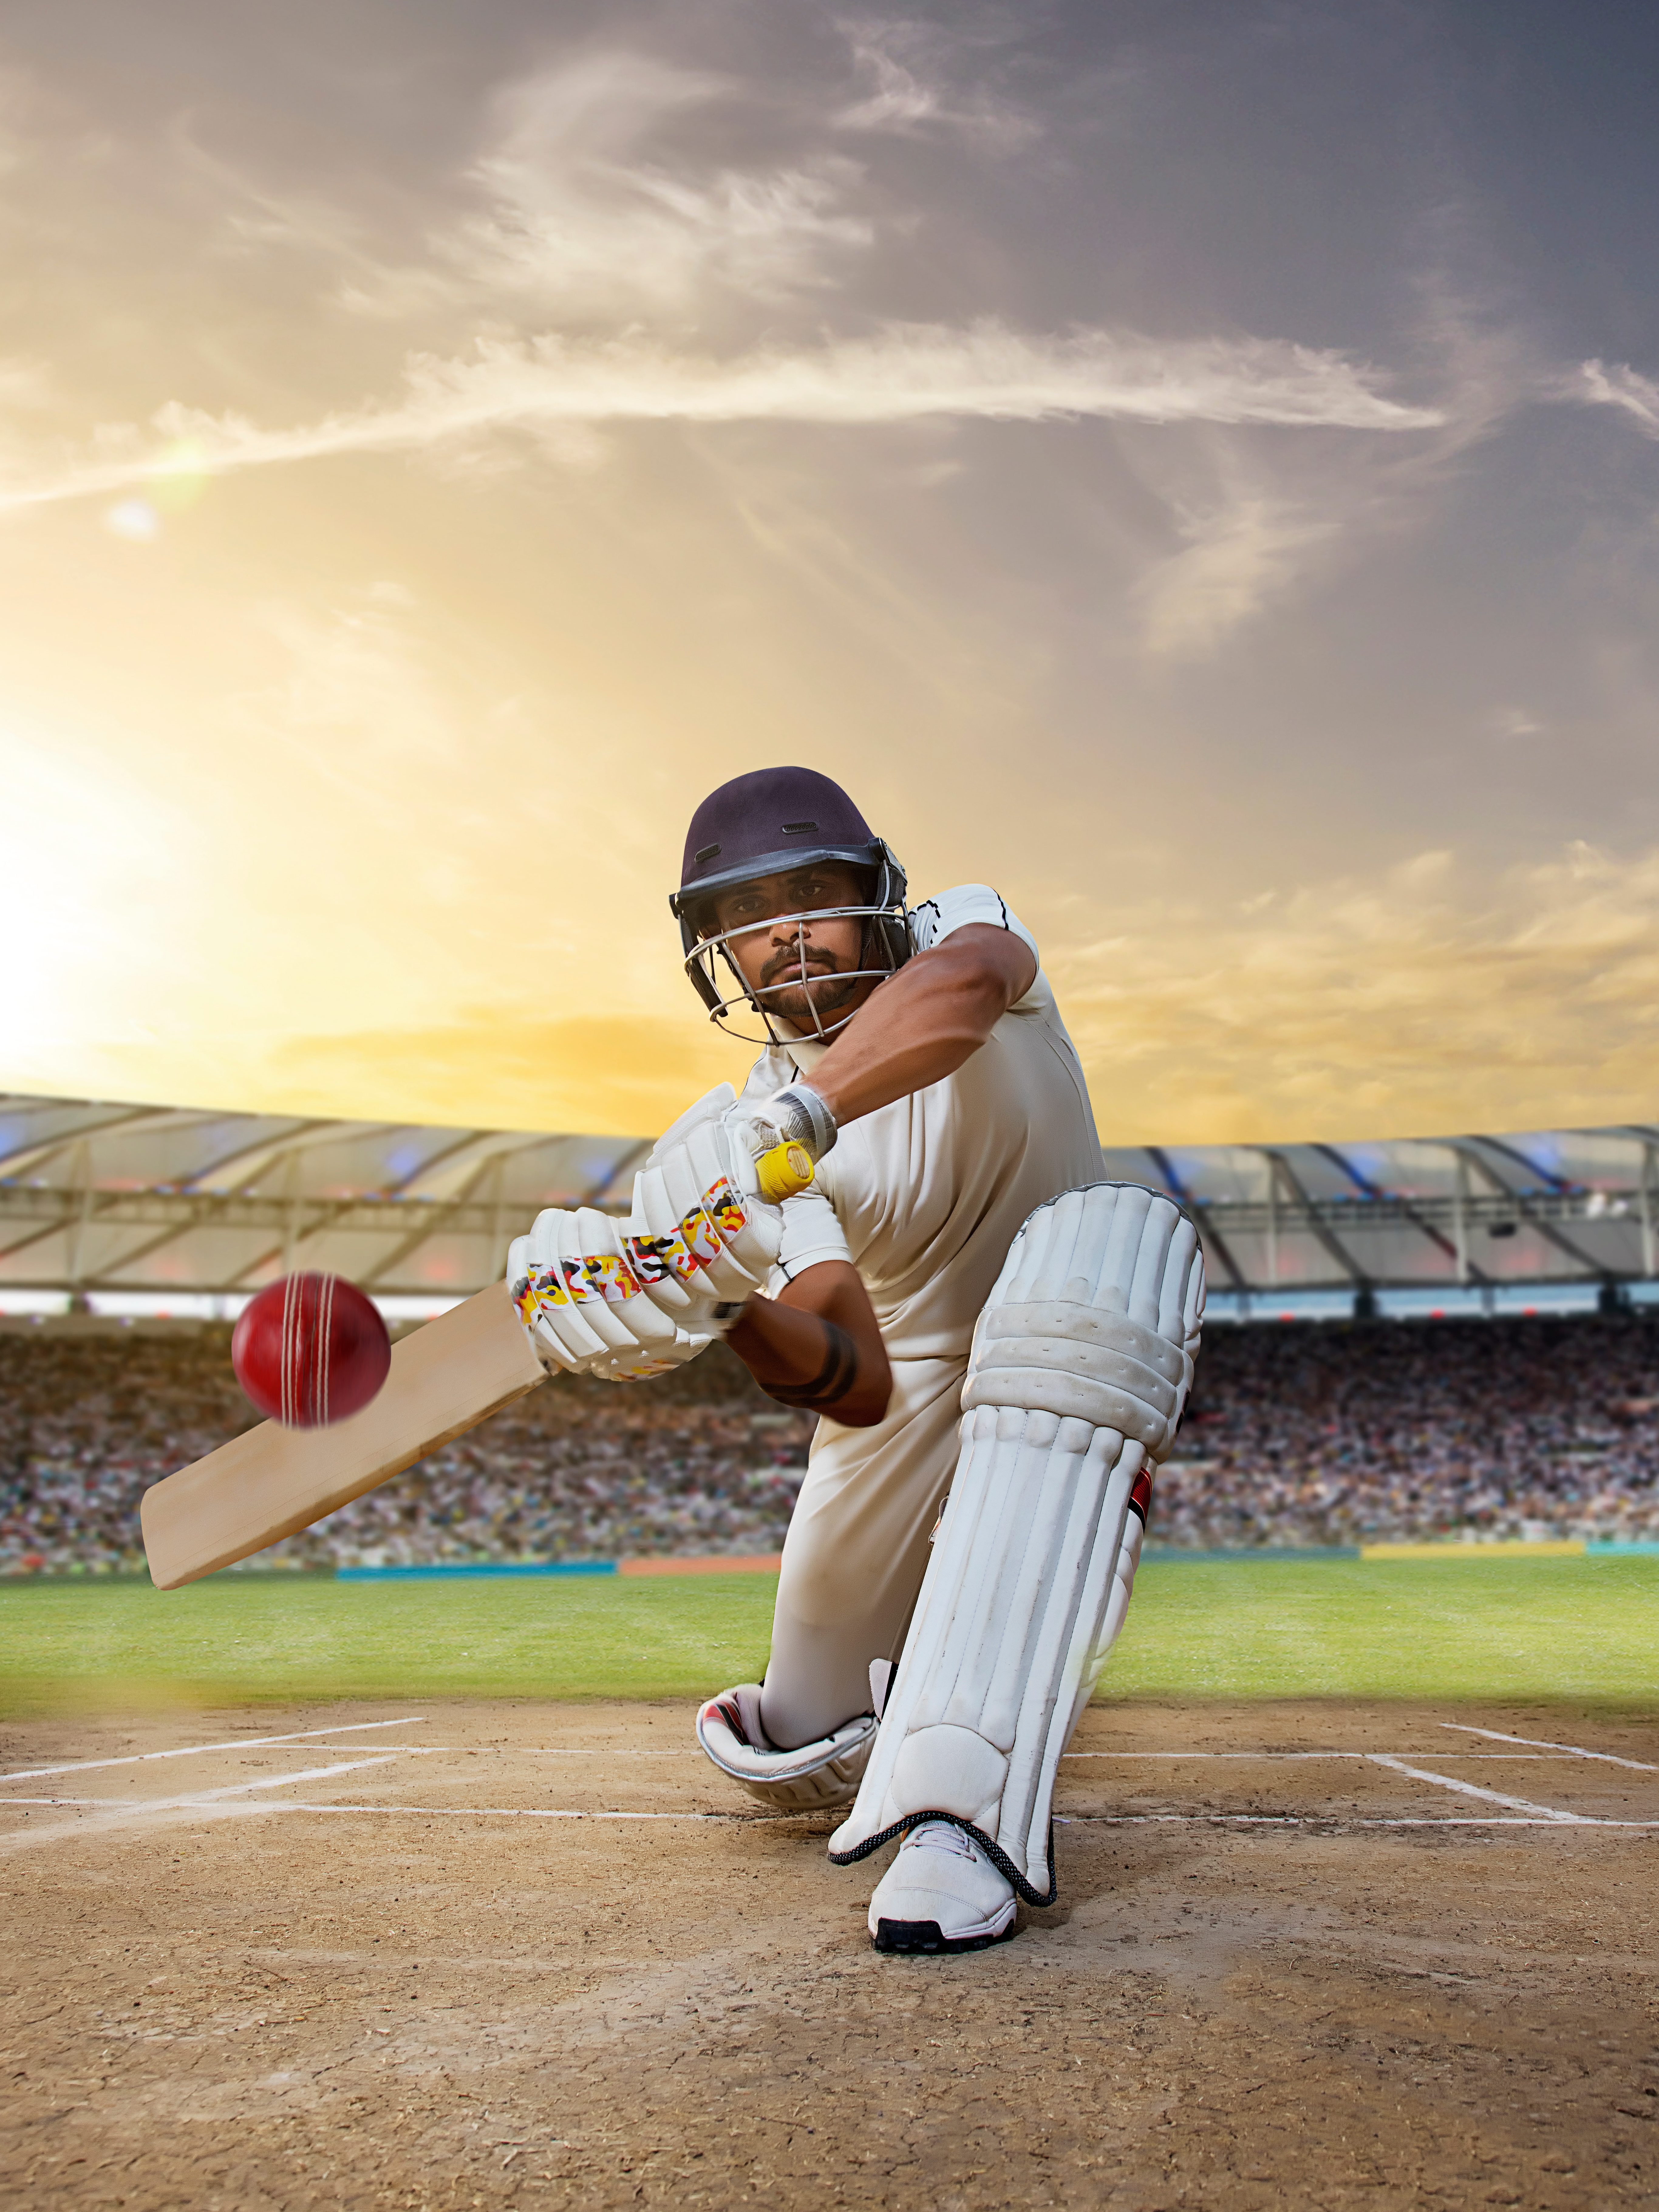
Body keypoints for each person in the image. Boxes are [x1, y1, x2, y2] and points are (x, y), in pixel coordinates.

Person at [509, 766, 1203, 1951]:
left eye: (812, 893)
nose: (784, 933)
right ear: (714, 950)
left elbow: (966, 992)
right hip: (916, 1385)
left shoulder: (958, 928)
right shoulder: (742, 1130)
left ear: (875, 892)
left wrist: (805, 1119)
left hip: (1079, 1318)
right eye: (744, 915)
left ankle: (958, 1817)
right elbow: (852, 1370)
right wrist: (715, 1303)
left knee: (1083, 1279)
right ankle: (883, 1716)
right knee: (798, 1739)